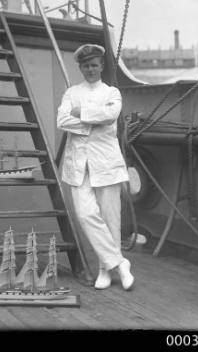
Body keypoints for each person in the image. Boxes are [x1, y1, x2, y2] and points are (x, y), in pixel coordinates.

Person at [57, 43, 134, 290]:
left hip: (107, 163)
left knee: (111, 218)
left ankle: (105, 269)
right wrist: (91, 119)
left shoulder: (112, 93)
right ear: (80, 67)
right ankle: (119, 263)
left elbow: (110, 116)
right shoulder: (71, 93)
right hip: (79, 165)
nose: (90, 69)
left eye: (94, 65)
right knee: (85, 214)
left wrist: (81, 114)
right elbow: (62, 120)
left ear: (101, 66)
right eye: (85, 66)